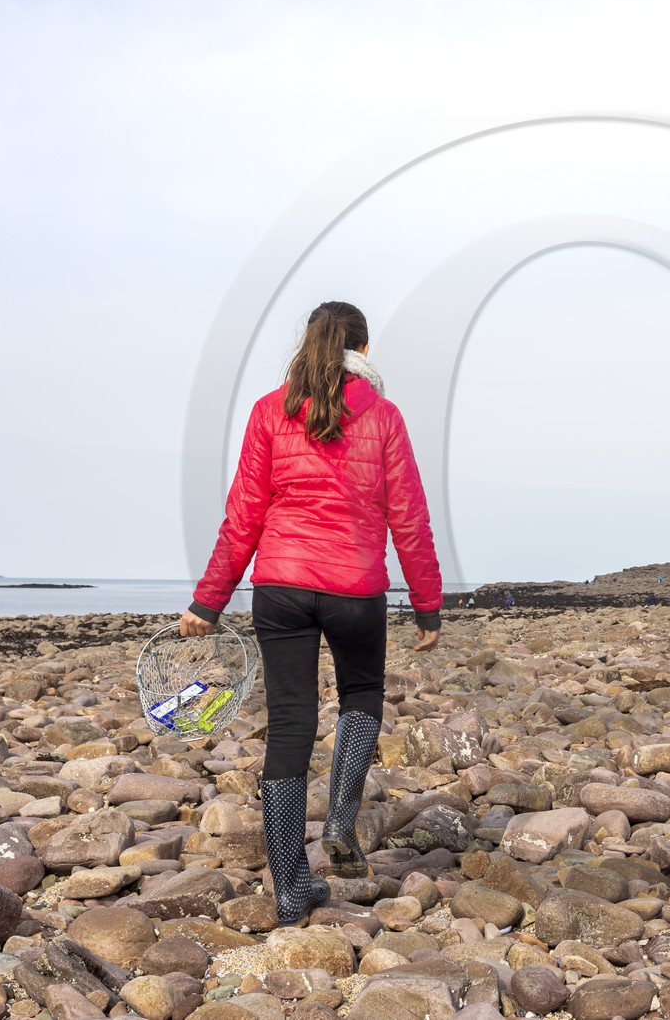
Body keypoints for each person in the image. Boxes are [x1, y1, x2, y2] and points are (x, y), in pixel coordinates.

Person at [180, 301, 441, 926]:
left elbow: (243, 514)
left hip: (282, 588)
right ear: (365, 352)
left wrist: (208, 602)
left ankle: (292, 888)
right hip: (355, 589)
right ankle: (342, 826)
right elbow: (409, 518)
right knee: (362, 696)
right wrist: (428, 606)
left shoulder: (271, 410)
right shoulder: (383, 416)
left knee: (291, 724)